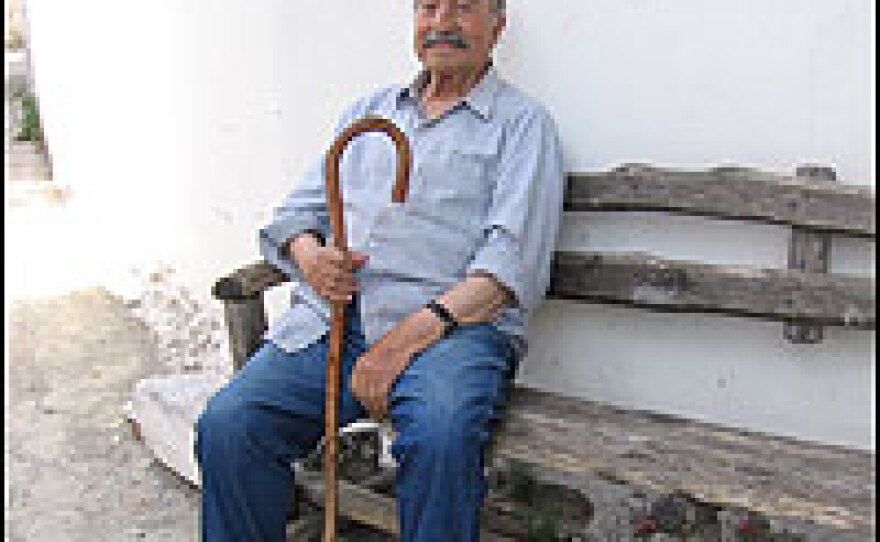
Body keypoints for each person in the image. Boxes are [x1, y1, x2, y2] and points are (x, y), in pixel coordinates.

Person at [195, 1, 564, 540]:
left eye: (464, 7)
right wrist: (312, 259)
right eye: (428, 7)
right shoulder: (367, 115)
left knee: (441, 438)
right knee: (231, 427)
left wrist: (398, 346)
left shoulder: (522, 126)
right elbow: (295, 217)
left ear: (497, 25)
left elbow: (509, 270)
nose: (443, 23)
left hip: (450, 333)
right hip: (335, 327)